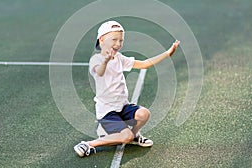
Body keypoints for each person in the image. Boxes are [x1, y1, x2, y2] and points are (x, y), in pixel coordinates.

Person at [74, 20, 180, 157]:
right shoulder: (96, 60)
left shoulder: (119, 58)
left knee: (144, 114)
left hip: (122, 107)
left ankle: (134, 136)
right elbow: (99, 72)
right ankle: (89, 144)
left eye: (121, 40)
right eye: (114, 39)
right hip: (107, 113)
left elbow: (144, 64)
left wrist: (167, 54)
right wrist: (105, 61)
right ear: (101, 40)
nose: (118, 44)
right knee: (125, 136)